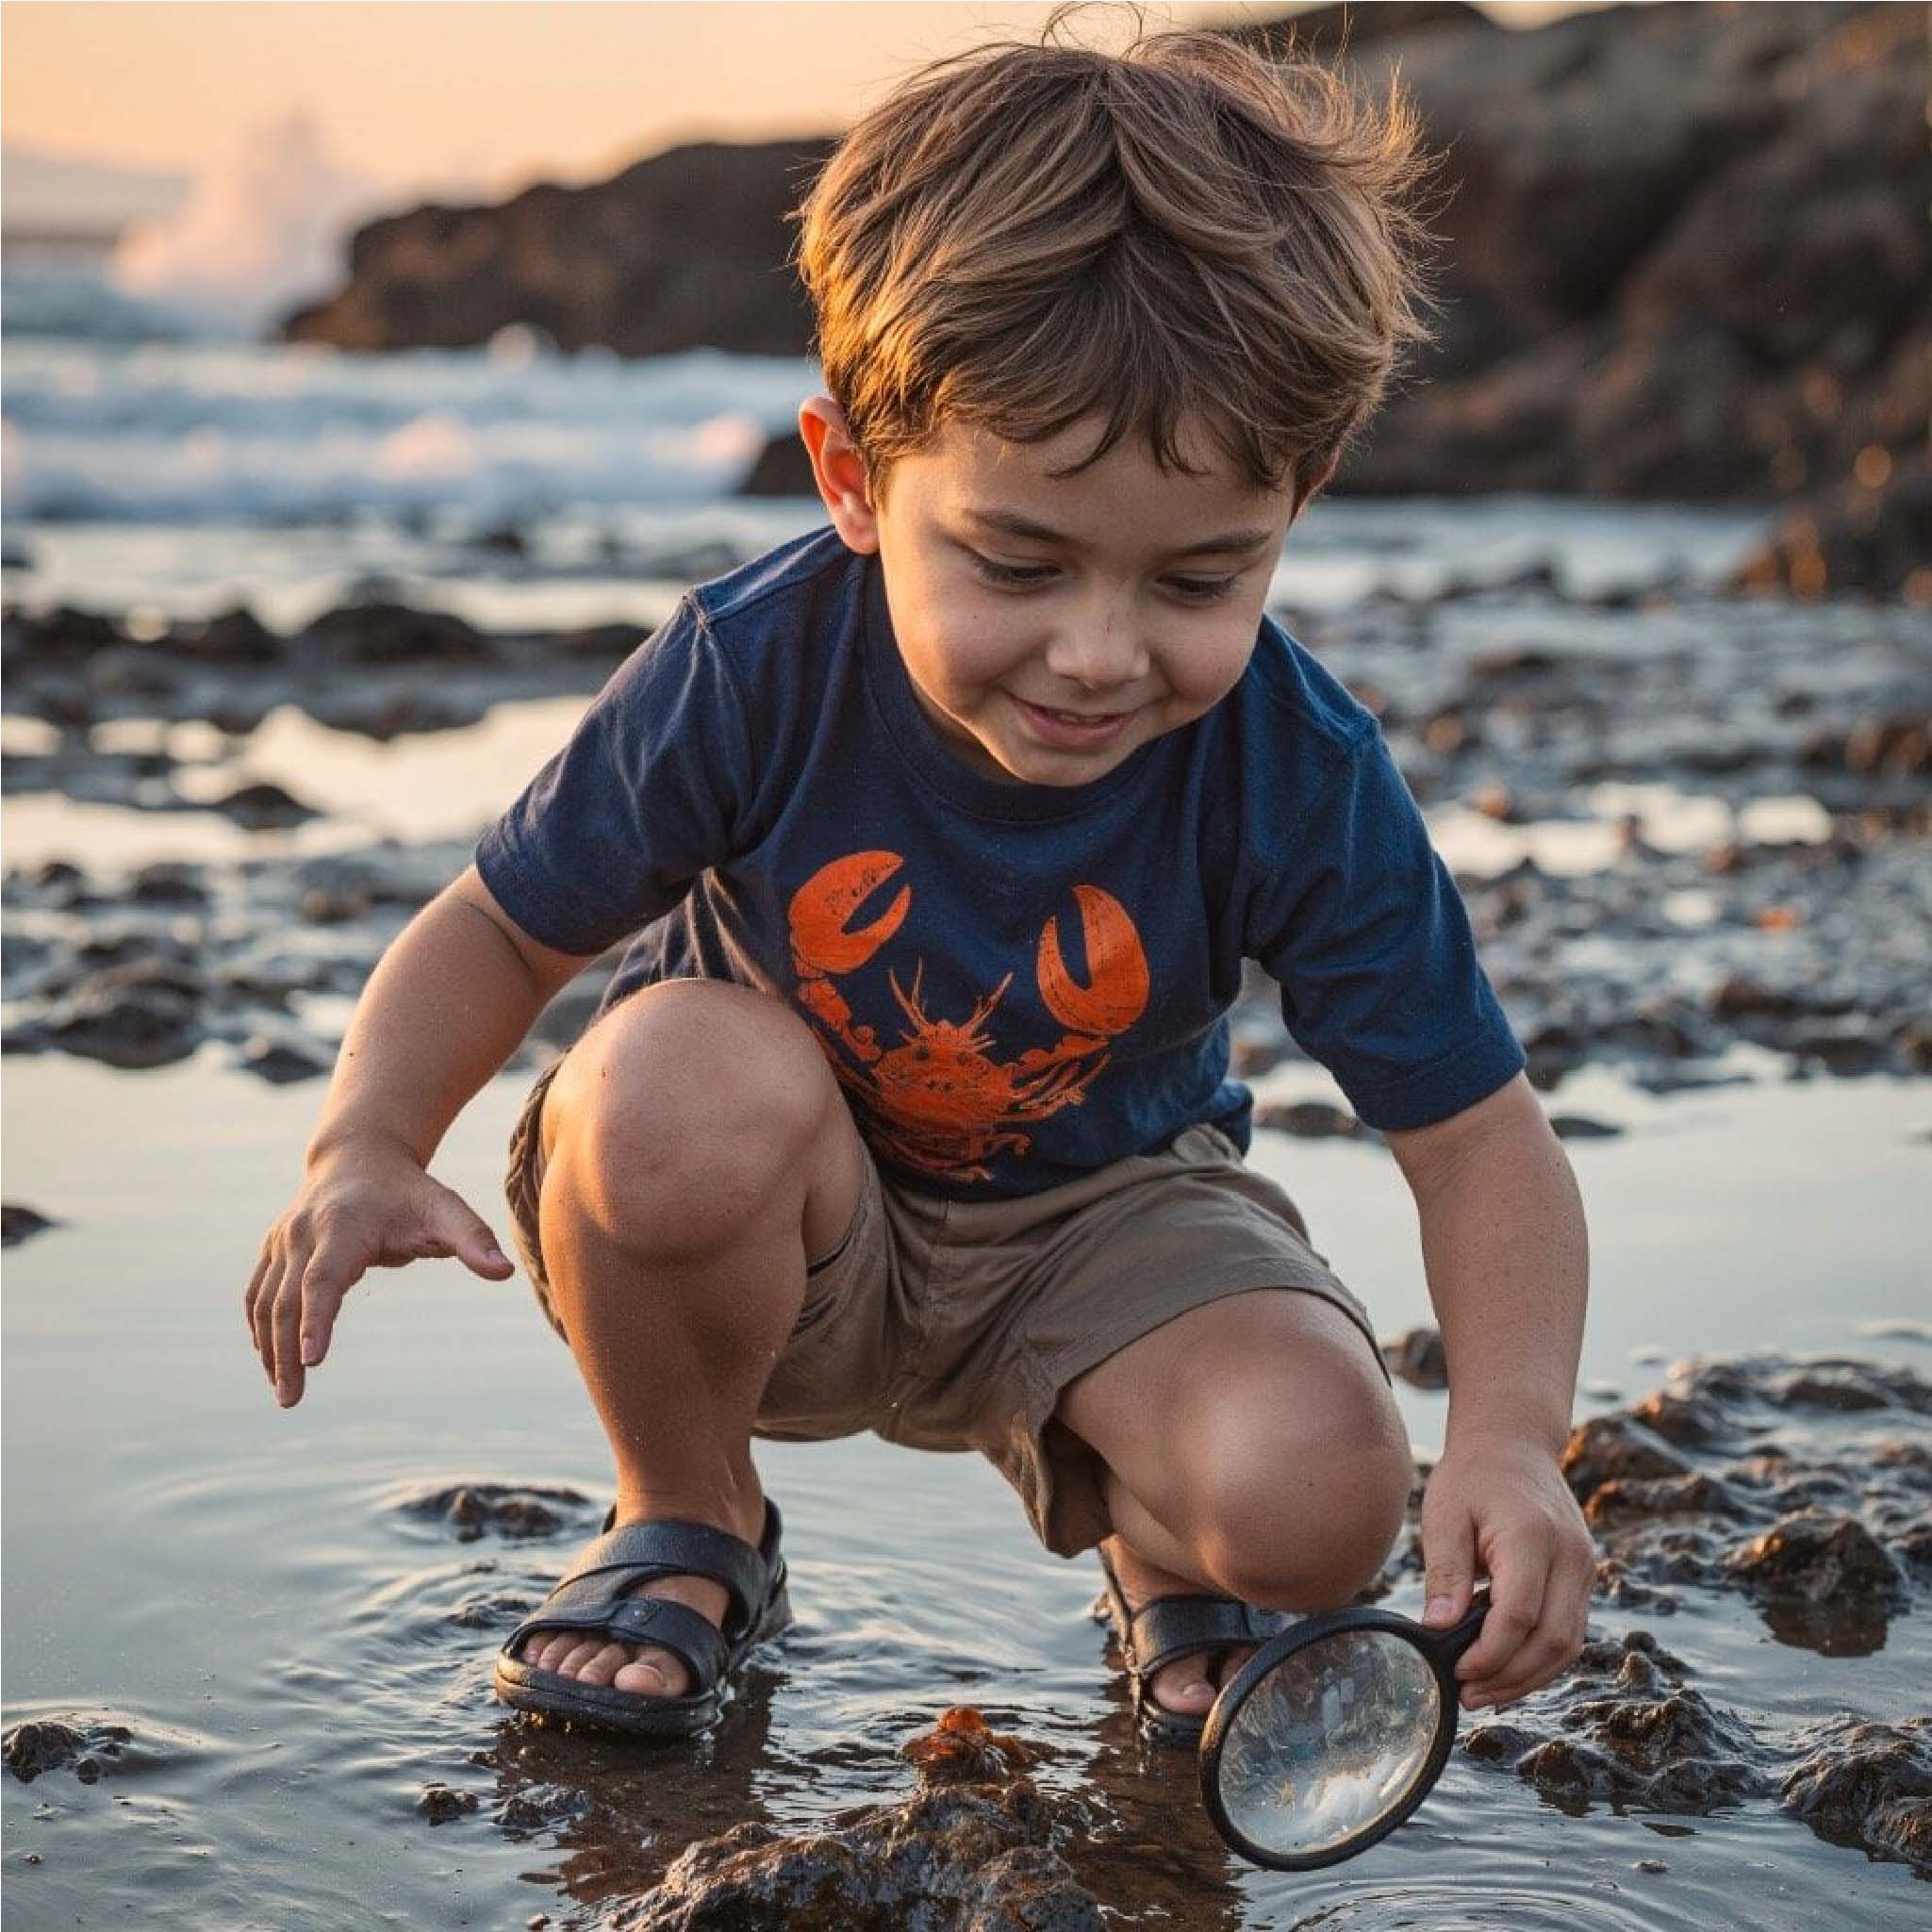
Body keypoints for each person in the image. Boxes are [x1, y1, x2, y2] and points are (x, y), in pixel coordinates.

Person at [245, 19, 1594, 1744]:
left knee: (1327, 1494)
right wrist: (362, 1146)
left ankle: (1166, 1545)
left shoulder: (1291, 762)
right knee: (661, 1076)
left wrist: (1504, 1435)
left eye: (1199, 577)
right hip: (789, 1212)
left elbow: (1477, 1133)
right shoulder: (753, 667)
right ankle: (688, 1511)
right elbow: (499, 927)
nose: (1100, 655)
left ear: (1299, 499)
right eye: (1018, 562)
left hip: (1107, 1224)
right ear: (852, 481)